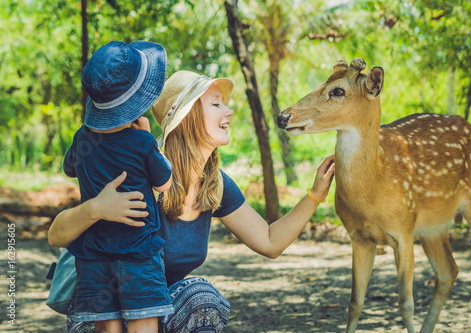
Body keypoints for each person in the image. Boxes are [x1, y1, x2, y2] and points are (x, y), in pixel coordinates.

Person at [48, 70, 335, 333]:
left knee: (201, 297)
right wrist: (95, 208)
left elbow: (270, 241)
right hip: (103, 313)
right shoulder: (142, 171)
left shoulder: (215, 184)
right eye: (216, 104)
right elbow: (56, 234)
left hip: (157, 309)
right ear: (187, 118)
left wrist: (316, 194)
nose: (229, 110)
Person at [62, 40, 173, 333]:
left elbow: (69, 168)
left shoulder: (81, 138)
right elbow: (165, 183)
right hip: (138, 254)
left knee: (107, 330)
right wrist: (151, 142)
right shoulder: (142, 142)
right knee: (143, 327)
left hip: (93, 257)